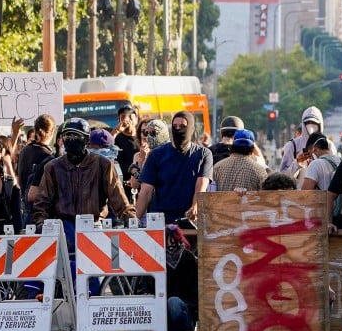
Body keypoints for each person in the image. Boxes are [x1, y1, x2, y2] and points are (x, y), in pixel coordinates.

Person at [32, 117, 135, 255]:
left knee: (93, 272)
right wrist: (41, 225)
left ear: (86, 140)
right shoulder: (53, 167)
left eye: (76, 135)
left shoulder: (103, 164)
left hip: (94, 226)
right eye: (67, 135)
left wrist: (130, 218)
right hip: (64, 228)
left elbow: (118, 198)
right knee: (66, 274)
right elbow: (42, 202)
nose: (71, 139)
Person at [114, 224, 198, 331]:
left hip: (181, 315)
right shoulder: (152, 259)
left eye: (173, 242)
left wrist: (190, 310)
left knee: (174, 303)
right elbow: (143, 290)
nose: (171, 247)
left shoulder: (188, 259)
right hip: (155, 316)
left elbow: (195, 296)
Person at [136, 111, 212, 226]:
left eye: (182, 126)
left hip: (189, 221)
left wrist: (195, 207)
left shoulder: (203, 154)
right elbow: (146, 191)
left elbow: (201, 187)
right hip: (160, 222)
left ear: (191, 128)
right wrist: (134, 220)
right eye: (175, 126)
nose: (178, 130)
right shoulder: (156, 155)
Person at [279, 106, 325, 176]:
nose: (311, 125)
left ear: (320, 124)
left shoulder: (328, 145)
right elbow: (283, 176)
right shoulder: (292, 145)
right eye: (308, 122)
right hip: (299, 187)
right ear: (303, 124)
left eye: (314, 122)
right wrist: (297, 163)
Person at [112, 102, 140, 177]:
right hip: (122, 179)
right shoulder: (116, 137)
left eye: (131, 117)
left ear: (136, 119)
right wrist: (117, 131)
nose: (128, 121)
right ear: (119, 120)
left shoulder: (142, 135)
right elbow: (106, 147)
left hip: (139, 178)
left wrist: (134, 135)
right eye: (123, 117)